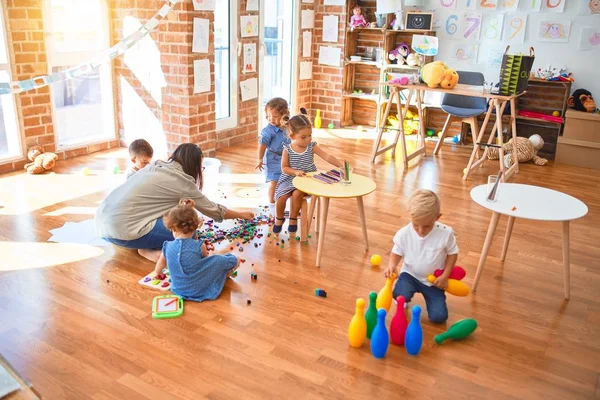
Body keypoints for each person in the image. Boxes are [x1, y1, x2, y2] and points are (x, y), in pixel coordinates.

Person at [95, 143, 254, 262]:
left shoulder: (156, 166)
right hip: (121, 232)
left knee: (175, 219)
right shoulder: (183, 182)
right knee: (189, 233)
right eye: (200, 166)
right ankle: (145, 250)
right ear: (193, 165)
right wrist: (241, 215)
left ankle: (142, 244)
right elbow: (213, 210)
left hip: (101, 225)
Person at [383, 189, 459, 323]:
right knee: (399, 295)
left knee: (439, 317)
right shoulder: (404, 233)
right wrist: (392, 265)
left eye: (427, 226)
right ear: (410, 216)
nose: (421, 231)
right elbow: (397, 250)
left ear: (437, 217)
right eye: (415, 225)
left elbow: (452, 253)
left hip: (433, 280)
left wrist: (445, 276)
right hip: (409, 275)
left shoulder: (446, 234)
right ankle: (403, 297)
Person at [153, 199, 239, 302]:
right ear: (195, 227)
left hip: (178, 290)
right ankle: (226, 273)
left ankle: (223, 274)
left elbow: (160, 265)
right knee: (231, 259)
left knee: (213, 259)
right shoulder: (199, 245)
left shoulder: (167, 246)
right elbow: (206, 261)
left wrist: (157, 273)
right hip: (200, 289)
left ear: (173, 228)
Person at [273, 112, 342, 234]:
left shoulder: (312, 146)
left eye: (310, 135)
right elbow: (284, 168)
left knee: (297, 194)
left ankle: (293, 219)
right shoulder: (287, 149)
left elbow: (326, 156)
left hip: (307, 178)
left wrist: (341, 165)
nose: (308, 139)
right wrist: (295, 171)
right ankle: (279, 218)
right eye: (303, 137)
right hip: (289, 177)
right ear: (292, 136)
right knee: (281, 198)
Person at [256, 97, 291, 217]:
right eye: (268, 116)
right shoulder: (268, 131)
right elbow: (262, 145)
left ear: (284, 115)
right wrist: (260, 159)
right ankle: (272, 205)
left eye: (275, 116)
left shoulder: (288, 126)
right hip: (273, 159)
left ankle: (283, 204)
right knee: (274, 182)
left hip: (286, 158)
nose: (271, 119)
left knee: (286, 181)